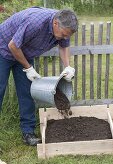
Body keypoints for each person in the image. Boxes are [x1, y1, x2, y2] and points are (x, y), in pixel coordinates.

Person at [0, 7, 78, 146]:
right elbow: (12, 45)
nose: (64, 38)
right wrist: (28, 68)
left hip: (23, 53)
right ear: (55, 24)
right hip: (3, 48)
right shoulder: (35, 23)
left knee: (27, 92)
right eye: (63, 34)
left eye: (67, 36)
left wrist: (67, 66)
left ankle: (28, 132)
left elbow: (64, 46)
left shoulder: (63, 28)